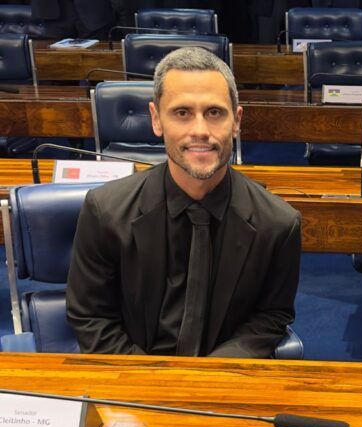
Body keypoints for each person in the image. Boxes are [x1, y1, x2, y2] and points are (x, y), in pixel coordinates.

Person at [66, 47, 302, 358]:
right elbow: (91, 317)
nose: (200, 131)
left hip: (223, 385)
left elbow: (271, 317)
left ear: (237, 121)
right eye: (182, 113)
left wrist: (208, 378)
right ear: (156, 119)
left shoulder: (279, 224)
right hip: (129, 384)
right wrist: (155, 385)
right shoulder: (105, 211)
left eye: (215, 112)